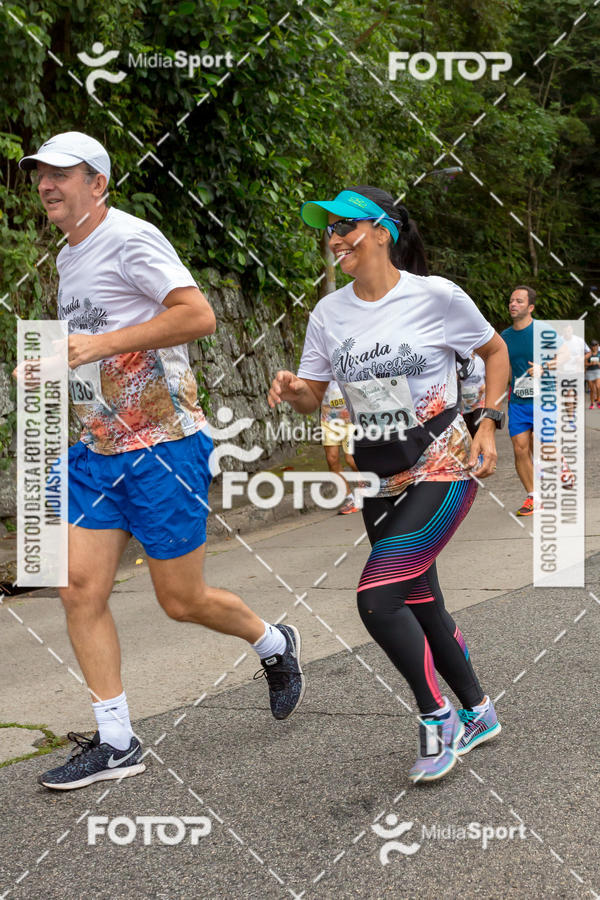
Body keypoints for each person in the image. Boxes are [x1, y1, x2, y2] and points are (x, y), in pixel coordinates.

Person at [19, 132, 304, 791]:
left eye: (63, 173)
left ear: (99, 183)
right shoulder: (69, 257)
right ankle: (117, 739)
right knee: (77, 588)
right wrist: (50, 365)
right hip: (98, 453)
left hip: (163, 450)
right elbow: (92, 352)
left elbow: (197, 315)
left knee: (182, 600)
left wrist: (98, 346)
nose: (46, 184)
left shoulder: (131, 237)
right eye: (40, 174)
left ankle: (275, 642)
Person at [268, 186, 509, 784]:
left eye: (347, 225)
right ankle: (478, 711)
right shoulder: (328, 313)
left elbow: (496, 350)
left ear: (383, 231)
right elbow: (314, 399)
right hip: (380, 472)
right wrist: (292, 388)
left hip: (442, 461)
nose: (334, 237)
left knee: (377, 597)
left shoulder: (436, 296)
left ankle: (438, 719)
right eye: (328, 229)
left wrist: (489, 426)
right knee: (420, 599)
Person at [500, 286, 539, 516]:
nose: (513, 304)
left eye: (519, 301)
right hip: (518, 401)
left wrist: (547, 368)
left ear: (530, 307)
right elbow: (503, 370)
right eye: (511, 300)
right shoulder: (504, 337)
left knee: (541, 444)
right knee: (520, 448)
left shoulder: (543, 332)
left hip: (545, 400)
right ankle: (533, 495)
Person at [320, 379, 360, 514]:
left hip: (350, 420)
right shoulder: (318, 367)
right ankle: (350, 499)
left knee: (352, 460)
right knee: (332, 459)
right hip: (328, 420)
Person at [457, 352, 486, 438]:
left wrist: (485, 387)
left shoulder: (480, 361)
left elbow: (490, 377)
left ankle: (481, 450)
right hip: (464, 404)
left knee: (478, 427)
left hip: (479, 402)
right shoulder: (457, 363)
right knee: (468, 433)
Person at [585, 339, 600, 408]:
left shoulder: (599, 353)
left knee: (598, 387)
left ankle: (598, 401)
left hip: (597, 371)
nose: (594, 347)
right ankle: (592, 403)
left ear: (598, 345)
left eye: (595, 345)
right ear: (591, 346)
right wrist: (590, 363)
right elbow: (584, 363)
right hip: (589, 372)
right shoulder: (589, 354)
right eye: (593, 345)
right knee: (592, 389)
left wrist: (598, 363)